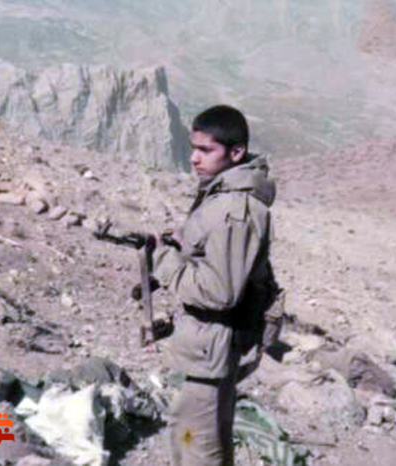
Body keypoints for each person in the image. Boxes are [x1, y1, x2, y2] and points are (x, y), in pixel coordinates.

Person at [150, 104, 277, 466]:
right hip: (211, 348)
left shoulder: (233, 210)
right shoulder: (223, 198)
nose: (194, 159)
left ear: (236, 152)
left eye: (206, 150)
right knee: (202, 439)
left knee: (193, 443)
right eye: (194, 148)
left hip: (212, 352)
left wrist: (164, 260)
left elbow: (220, 292)